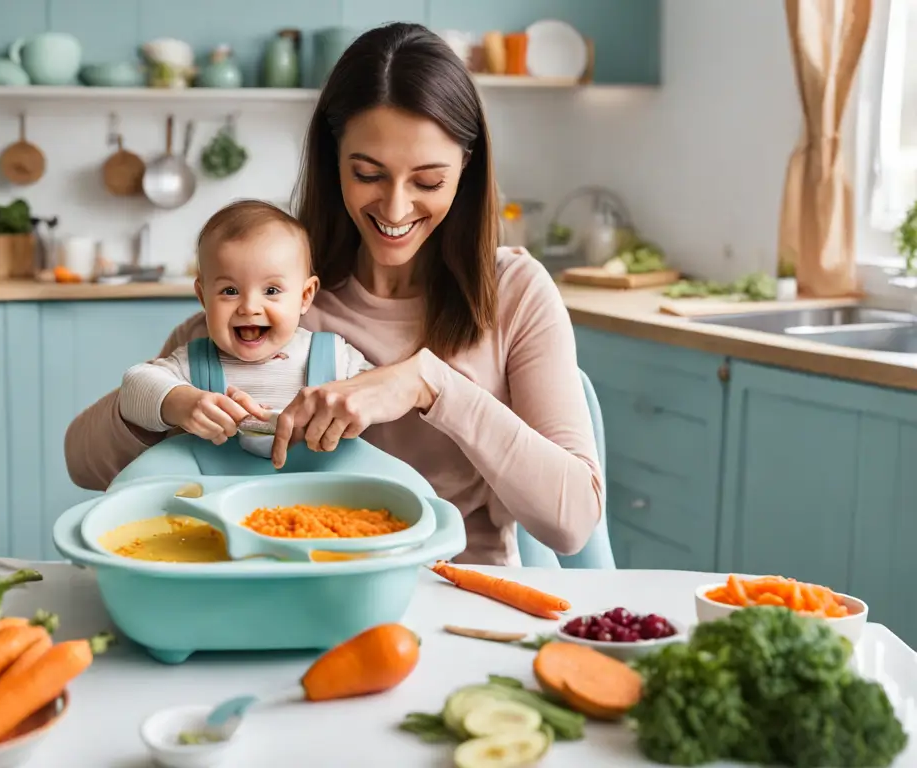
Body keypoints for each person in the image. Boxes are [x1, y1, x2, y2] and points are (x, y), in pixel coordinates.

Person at [64, 22, 603, 565]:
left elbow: (572, 523)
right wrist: (169, 403)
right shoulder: (270, 291)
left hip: (457, 591)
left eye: (427, 182)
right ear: (333, 158)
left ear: (467, 166)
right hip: (289, 580)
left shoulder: (514, 292)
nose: (394, 209)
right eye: (368, 173)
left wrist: (430, 384)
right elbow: (84, 464)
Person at [118, 199, 373, 443]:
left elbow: (378, 391)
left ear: (305, 296)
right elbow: (132, 389)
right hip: (219, 486)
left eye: (271, 291)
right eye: (230, 291)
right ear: (203, 297)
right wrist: (182, 402)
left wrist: (347, 405)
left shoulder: (335, 358)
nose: (250, 308)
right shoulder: (193, 364)